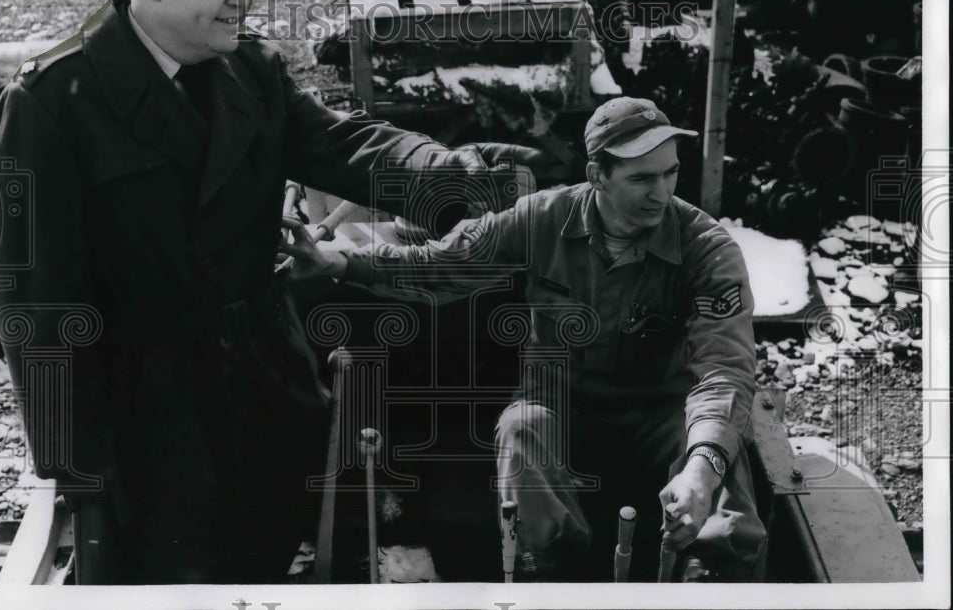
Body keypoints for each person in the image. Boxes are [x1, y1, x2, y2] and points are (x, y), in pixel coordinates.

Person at [0, 0, 513, 585]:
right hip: (149, 413)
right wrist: (71, 457)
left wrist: (448, 175)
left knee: (262, 559)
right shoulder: (54, 100)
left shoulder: (251, 72)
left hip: (266, 385)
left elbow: (341, 145)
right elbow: (34, 299)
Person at [284, 96, 767, 581]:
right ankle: (555, 577)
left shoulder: (707, 249)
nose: (661, 193)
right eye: (642, 178)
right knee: (521, 431)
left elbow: (724, 368)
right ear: (597, 176)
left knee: (721, 454)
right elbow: (446, 262)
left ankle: (711, 580)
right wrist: (342, 263)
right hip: (560, 402)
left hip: (662, 409)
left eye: (670, 174)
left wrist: (703, 464)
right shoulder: (542, 218)